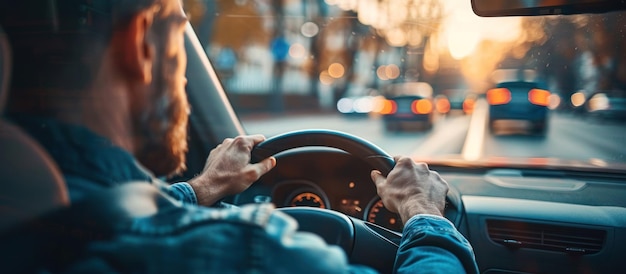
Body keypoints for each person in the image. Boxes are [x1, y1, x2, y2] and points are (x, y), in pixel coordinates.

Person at [0, 0, 479, 273]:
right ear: (140, 46)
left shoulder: (34, 213)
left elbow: (103, 216)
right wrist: (422, 212)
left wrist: (201, 188)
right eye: (177, 37)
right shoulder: (246, 252)